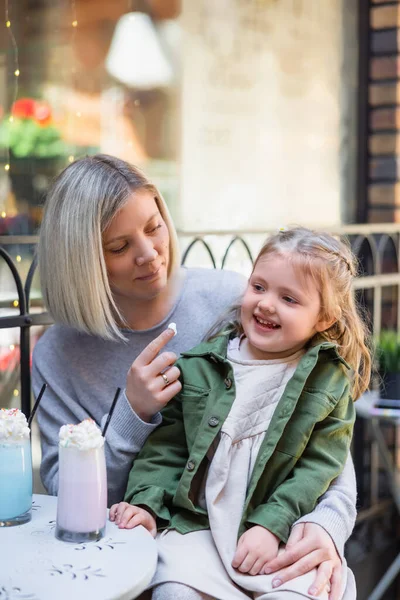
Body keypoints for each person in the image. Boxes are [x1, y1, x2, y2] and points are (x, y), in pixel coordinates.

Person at [32, 155, 356, 598]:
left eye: (153, 227)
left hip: (275, 537)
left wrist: (327, 527)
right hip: (155, 551)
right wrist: (133, 413)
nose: (149, 255)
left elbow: (321, 442)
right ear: (82, 258)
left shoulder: (231, 300)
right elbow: (67, 500)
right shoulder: (60, 353)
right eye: (119, 246)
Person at [111, 227, 372, 600]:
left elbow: (319, 466)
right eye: (259, 287)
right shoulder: (201, 365)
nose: (266, 304)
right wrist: (146, 503)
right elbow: (168, 449)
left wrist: (272, 525)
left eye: (289, 299)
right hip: (198, 528)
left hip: (279, 531)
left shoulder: (328, 382)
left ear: (325, 318)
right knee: (173, 591)